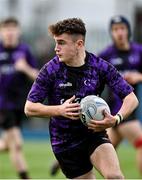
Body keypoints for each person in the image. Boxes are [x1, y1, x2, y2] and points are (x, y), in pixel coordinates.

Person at [24, 18, 138, 179]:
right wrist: (59, 110)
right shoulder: (50, 70)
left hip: (93, 134)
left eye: (61, 43)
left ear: (79, 44)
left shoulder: (100, 67)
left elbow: (131, 98)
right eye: (56, 42)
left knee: (115, 176)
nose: (56, 48)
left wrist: (117, 118)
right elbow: (29, 108)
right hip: (64, 142)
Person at [99, 15, 142, 175]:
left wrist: (139, 76)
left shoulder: (138, 51)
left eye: (122, 28)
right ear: (111, 33)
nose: (119, 33)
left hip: (128, 109)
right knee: (140, 143)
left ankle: (75, 158)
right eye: (115, 29)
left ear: (128, 30)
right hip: (118, 109)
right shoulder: (106, 54)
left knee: (107, 147)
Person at [0, 17, 38, 179]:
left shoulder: (25, 50)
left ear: (18, 31)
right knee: (17, 144)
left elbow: (38, 76)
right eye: (6, 29)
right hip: (2, 104)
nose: (9, 33)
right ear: (1, 32)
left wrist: (25, 68)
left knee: (8, 145)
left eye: (12, 29)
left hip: (19, 104)